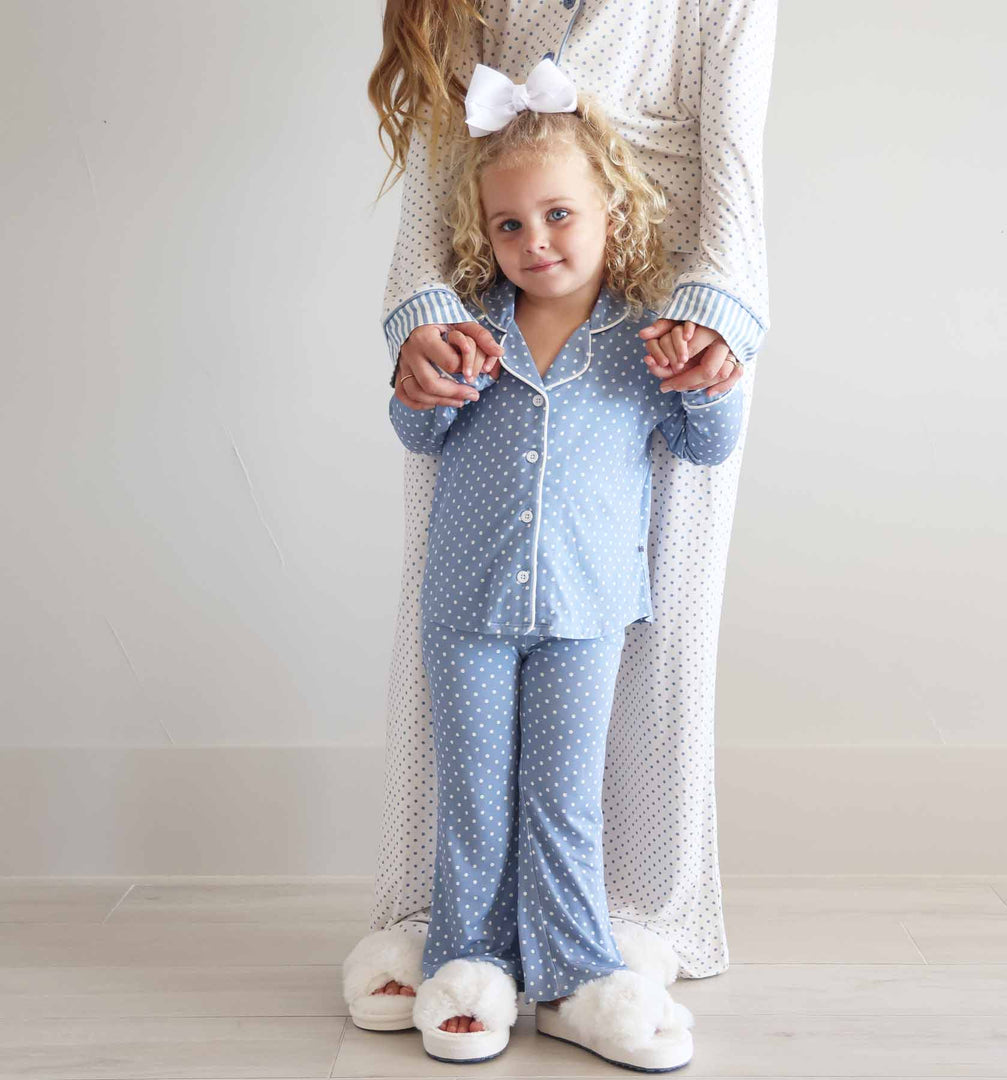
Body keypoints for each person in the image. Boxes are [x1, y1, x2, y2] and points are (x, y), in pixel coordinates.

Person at [343, 0, 777, 1042]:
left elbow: (734, 149)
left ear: (606, 215)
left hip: (596, 580)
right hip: (472, 599)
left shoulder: (639, 344)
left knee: (577, 773)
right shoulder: (478, 333)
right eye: (511, 227)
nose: (534, 245)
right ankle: (460, 953)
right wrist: (422, 322)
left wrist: (713, 329)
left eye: (557, 221)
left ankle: (600, 949)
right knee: (471, 781)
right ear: (486, 230)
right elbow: (418, 424)